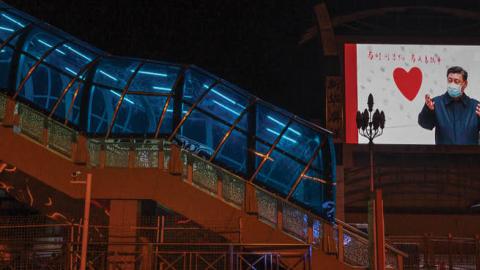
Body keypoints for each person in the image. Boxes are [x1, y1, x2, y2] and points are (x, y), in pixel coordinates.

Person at [418, 66, 480, 145]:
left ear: (465, 84)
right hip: (444, 156)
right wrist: (428, 110)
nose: (452, 84)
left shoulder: (475, 106)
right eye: (450, 80)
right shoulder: (436, 104)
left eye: (456, 81)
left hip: (470, 156)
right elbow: (424, 124)